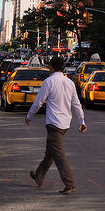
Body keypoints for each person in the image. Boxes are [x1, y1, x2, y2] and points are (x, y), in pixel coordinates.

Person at [26, 55, 87, 195]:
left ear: (51, 67)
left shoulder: (49, 82)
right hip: (65, 124)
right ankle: (39, 176)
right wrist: (81, 122)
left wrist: (29, 116)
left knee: (58, 154)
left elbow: (38, 102)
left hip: (54, 124)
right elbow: (76, 104)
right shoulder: (70, 83)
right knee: (50, 152)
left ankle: (69, 183)